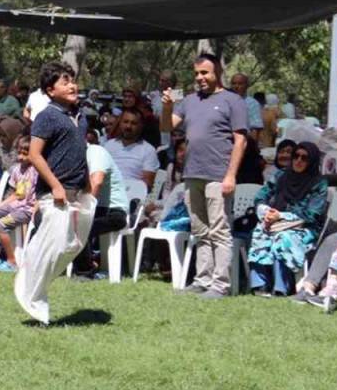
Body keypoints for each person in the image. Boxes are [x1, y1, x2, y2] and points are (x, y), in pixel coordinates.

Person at [162, 53, 248, 300]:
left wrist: (231, 175)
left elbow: (240, 140)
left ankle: (220, 285)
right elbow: (167, 127)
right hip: (192, 173)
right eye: (197, 73)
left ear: (217, 73)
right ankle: (202, 279)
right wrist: (167, 107)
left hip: (218, 174)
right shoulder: (188, 101)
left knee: (219, 229)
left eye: (205, 73)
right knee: (200, 230)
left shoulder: (233, 100)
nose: (200, 78)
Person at [15, 62, 93, 324]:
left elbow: (81, 153)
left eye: (72, 80)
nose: (72, 85)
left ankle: (34, 276)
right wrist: (56, 185)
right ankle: (33, 298)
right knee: (54, 247)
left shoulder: (80, 116)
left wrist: (88, 186)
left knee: (71, 246)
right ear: (50, 90)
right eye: (65, 82)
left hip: (77, 192)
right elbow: (35, 154)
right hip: (54, 193)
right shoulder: (47, 116)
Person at [247, 142, 327, 296]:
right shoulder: (281, 175)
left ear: (312, 162)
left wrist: (282, 216)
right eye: (296, 156)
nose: (298, 161)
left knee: (284, 237)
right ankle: (259, 284)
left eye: (304, 158)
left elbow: (313, 214)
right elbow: (261, 196)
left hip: (304, 227)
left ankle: (281, 287)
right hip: (275, 221)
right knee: (261, 231)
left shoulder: (319, 183)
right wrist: (266, 212)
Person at [71, 133, 131, 279]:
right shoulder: (75, 157)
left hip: (114, 212)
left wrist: (82, 210)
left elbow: (97, 182)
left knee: (80, 226)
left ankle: (86, 272)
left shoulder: (95, 152)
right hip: (98, 209)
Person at [0, 135, 37, 270]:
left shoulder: (36, 171)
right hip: (15, 205)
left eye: (25, 153)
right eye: (19, 152)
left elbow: (40, 194)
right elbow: (16, 194)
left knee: (0, 225)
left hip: (27, 209)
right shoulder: (16, 170)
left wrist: (37, 208)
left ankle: (12, 262)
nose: (21, 157)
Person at [103, 108, 159, 189]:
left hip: (133, 194)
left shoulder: (148, 150)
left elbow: (148, 183)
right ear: (120, 123)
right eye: (125, 122)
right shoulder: (109, 145)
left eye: (134, 123)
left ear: (141, 126)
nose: (128, 126)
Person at [230, 73, 263, 138]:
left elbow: (255, 129)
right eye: (234, 83)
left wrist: (251, 146)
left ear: (247, 85)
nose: (236, 86)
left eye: (240, 84)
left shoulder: (252, 104)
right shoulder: (225, 101)